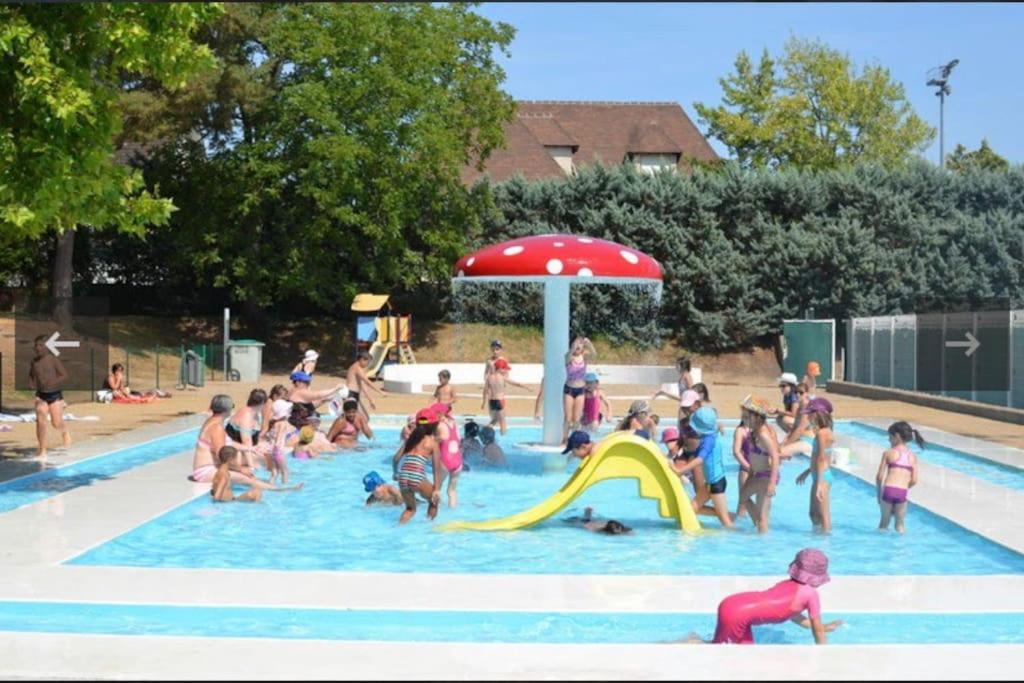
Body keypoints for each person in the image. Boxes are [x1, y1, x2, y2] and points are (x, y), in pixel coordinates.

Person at [700, 548, 843, 644]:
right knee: (729, 657)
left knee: (728, 650)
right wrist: (825, 658)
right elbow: (816, 632)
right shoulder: (811, 594)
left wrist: (823, 627)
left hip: (733, 604)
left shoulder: (785, 585)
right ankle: (687, 642)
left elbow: (796, 618)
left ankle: (691, 642)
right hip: (737, 614)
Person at [673, 406, 734, 528]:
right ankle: (728, 515)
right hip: (710, 484)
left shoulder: (708, 441)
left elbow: (699, 460)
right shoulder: (709, 435)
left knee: (726, 524)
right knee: (691, 509)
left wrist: (680, 471)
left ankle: (740, 537)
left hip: (716, 484)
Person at [735, 395, 781, 534]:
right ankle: (761, 531)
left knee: (744, 498)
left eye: (747, 416)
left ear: (757, 416)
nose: (744, 418)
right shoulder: (756, 431)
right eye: (743, 415)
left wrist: (772, 483)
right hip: (757, 474)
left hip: (766, 476)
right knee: (760, 512)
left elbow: (775, 456)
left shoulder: (763, 434)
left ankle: (759, 525)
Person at [396, 408, 443, 524]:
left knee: (410, 509)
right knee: (434, 501)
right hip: (416, 476)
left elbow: (395, 458)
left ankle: (399, 527)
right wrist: (436, 489)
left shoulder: (410, 440)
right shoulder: (432, 443)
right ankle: (428, 528)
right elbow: (437, 468)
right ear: (434, 425)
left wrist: (395, 473)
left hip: (403, 476)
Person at [795, 398, 836, 533]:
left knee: (823, 517)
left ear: (818, 414)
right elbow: (824, 458)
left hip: (822, 477)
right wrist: (808, 471)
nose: (808, 417)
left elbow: (821, 459)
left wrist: (819, 484)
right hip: (819, 475)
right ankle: (816, 538)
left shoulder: (821, 433)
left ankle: (825, 543)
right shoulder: (826, 431)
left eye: (810, 413)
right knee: (813, 514)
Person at [876, 420, 923, 534]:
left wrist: (879, 494)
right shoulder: (913, 456)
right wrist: (903, 488)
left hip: (888, 489)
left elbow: (879, 477)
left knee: (884, 524)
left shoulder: (888, 453)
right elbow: (914, 480)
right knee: (900, 525)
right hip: (902, 491)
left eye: (890, 437)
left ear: (896, 436)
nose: (889, 440)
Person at [28, 334, 71, 457]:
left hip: (55, 395)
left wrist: (53, 382)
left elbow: (64, 375)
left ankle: (65, 431)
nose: (38, 348)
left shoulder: (52, 359)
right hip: (41, 395)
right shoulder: (34, 362)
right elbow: (31, 375)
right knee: (41, 419)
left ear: (47, 347)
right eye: (36, 345)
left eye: (41, 345)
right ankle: (42, 449)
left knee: (56, 423)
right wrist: (31, 384)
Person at [482, 357, 531, 435]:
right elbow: (516, 384)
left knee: (494, 420)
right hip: (500, 401)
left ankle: (484, 431)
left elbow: (485, 391)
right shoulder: (502, 377)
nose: (506, 371)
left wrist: (483, 402)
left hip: (491, 401)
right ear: (500, 369)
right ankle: (503, 436)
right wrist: (527, 387)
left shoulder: (489, 378)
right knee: (503, 421)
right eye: (505, 369)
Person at [562, 336, 597, 441]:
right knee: (568, 418)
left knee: (577, 419)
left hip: (580, 390)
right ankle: (564, 439)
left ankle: (573, 439)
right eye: (576, 343)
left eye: (580, 344)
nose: (578, 346)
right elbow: (568, 355)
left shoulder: (584, 357)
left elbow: (594, 355)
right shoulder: (568, 357)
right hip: (569, 390)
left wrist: (589, 344)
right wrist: (574, 347)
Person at [225, 389, 268, 471]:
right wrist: (251, 464)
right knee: (263, 459)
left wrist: (259, 446)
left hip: (241, 449)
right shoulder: (246, 415)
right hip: (231, 451)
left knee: (267, 454)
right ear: (262, 403)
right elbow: (246, 441)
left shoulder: (255, 413)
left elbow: (252, 439)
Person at [432, 402, 463, 508]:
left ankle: (434, 513)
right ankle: (452, 512)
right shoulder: (455, 424)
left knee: (436, 489)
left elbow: (441, 438)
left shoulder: (440, 425)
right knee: (452, 491)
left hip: (445, 460)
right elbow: (458, 439)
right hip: (458, 461)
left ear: (439, 414)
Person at [346, 352, 388, 419]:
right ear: (362, 359)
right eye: (367, 362)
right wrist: (380, 391)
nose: (367, 365)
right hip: (350, 395)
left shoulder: (358, 369)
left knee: (365, 418)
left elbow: (362, 385)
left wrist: (370, 399)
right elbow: (368, 382)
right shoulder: (357, 368)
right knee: (359, 418)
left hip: (354, 395)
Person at [262, 398, 293, 484]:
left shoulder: (274, 424)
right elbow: (279, 440)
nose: (290, 411)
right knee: (285, 472)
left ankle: (271, 485)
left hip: (270, 451)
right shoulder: (283, 424)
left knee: (275, 473)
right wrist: (279, 451)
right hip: (278, 451)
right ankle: (285, 487)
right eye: (288, 410)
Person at [780, 383, 814, 458]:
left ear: (807, 393)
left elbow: (799, 430)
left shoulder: (807, 408)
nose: (798, 394)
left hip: (809, 441)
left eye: (801, 392)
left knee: (781, 452)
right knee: (778, 448)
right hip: (801, 438)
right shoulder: (799, 407)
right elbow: (794, 428)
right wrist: (785, 440)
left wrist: (786, 444)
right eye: (796, 392)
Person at [564, 506, 632, 535]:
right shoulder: (599, 530)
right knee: (585, 521)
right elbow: (589, 527)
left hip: (597, 523)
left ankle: (587, 513)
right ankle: (587, 513)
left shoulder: (621, 529)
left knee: (588, 521)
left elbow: (629, 532)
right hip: (590, 524)